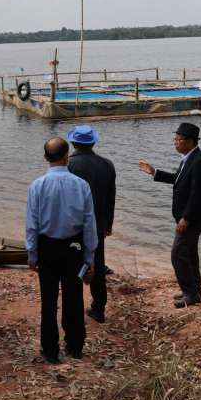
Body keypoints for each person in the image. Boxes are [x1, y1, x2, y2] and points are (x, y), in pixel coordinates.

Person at [26, 137, 98, 363]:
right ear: (67, 157)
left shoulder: (37, 186)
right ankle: (75, 345)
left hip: (47, 247)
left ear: (45, 157)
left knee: (48, 300)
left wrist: (32, 254)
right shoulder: (81, 185)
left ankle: (50, 349)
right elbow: (89, 224)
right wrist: (90, 256)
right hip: (73, 247)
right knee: (74, 296)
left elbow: (32, 224)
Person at [139, 122, 201, 308]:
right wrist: (155, 172)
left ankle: (190, 294)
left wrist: (186, 218)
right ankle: (196, 288)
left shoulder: (199, 161)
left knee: (178, 253)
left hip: (193, 217)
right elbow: (177, 179)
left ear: (191, 141)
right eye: (175, 139)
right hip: (190, 215)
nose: (176, 143)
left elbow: (198, 193)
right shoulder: (189, 158)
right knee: (189, 251)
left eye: (180, 140)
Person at [66, 125, 116, 324]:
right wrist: (108, 224)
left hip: (73, 226)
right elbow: (110, 198)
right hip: (97, 225)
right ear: (93, 143)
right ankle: (99, 308)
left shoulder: (68, 165)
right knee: (97, 265)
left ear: (73, 143)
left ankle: (74, 308)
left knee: (72, 265)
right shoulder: (107, 165)